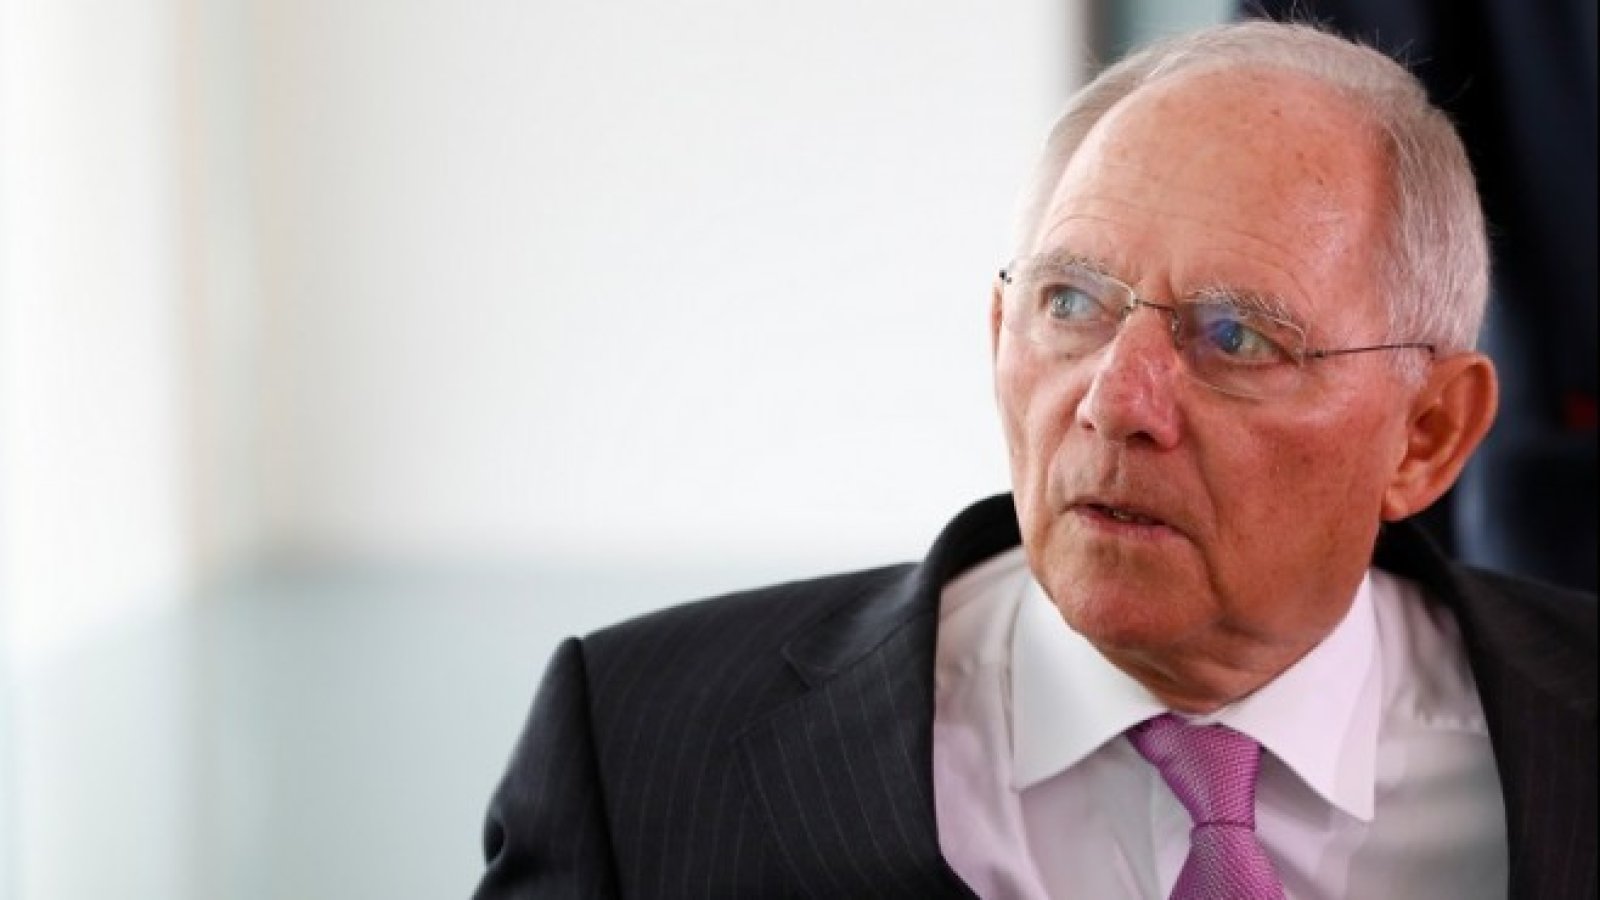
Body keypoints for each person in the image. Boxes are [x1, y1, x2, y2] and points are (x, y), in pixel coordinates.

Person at [472, 21, 1596, 900]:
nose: (1116, 403)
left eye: (1235, 337)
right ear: (998, 332)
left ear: (1426, 434)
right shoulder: (640, 746)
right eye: (1070, 303)